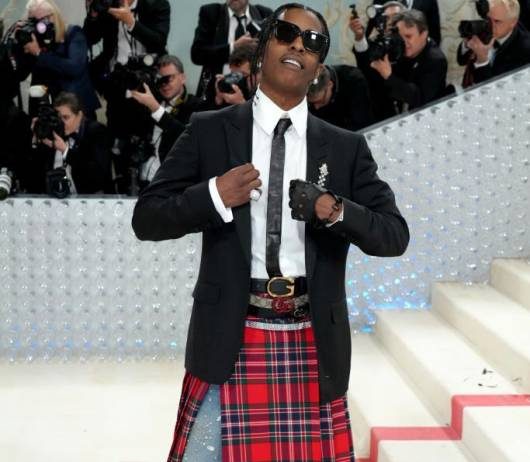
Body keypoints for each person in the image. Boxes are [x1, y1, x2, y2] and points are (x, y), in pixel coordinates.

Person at [133, 3, 409, 461]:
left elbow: (394, 235)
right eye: (286, 33)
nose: (298, 45)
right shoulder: (209, 131)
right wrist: (214, 194)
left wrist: (333, 209)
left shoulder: (345, 148)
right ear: (263, 49)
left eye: (313, 42)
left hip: (313, 341)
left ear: (318, 68)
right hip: (229, 336)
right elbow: (147, 218)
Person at [353, 8, 448, 120]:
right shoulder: (399, 48)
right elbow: (369, 69)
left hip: (427, 119)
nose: (403, 42)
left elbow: (418, 97)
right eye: (400, 36)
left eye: (408, 36)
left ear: (424, 34)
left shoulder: (436, 60)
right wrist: (361, 38)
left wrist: (388, 76)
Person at [16, 0, 100, 118]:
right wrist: (20, 45)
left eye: (43, 20)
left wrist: (39, 53)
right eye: (33, 21)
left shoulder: (73, 33)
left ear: (54, 16)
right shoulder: (35, 39)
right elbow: (20, 74)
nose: (39, 25)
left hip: (73, 108)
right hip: (43, 105)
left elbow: (75, 68)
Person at [129, 55, 201, 183]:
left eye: (169, 78)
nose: (164, 84)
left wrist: (156, 109)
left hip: (171, 182)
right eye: (160, 80)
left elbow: (186, 136)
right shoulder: (150, 102)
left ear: (183, 78)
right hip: (142, 180)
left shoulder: (195, 105)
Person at [26, 91, 113, 194]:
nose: (61, 122)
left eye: (66, 117)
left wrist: (65, 151)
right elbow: (33, 176)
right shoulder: (52, 130)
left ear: (79, 115)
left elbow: (97, 176)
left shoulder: (97, 132)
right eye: (58, 118)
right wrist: (35, 139)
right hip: (54, 198)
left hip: (90, 198)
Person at [191, 0, 272, 98]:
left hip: (252, 95)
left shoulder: (264, 14)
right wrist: (233, 47)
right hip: (217, 92)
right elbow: (197, 54)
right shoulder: (211, 13)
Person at [458, 0, 530, 86]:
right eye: (488, 19)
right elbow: (461, 60)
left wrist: (482, 59)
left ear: (513, 23)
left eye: (497, 21)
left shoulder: (525, 50)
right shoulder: (485, 26)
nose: (490, 26)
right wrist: (466, 44)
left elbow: (496, 90)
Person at [307, 64, 374, 132]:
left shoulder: (354, 81)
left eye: (320, 101)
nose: (316, 107)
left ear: (330, 85)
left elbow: (361, 124)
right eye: (310, 103)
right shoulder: (302, 88)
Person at [366, 0, 441, 45]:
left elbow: (434, 35)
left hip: (415, 60)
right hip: (386, 54)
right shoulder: (379, 1)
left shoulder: (428, 1)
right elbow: (371, 30)